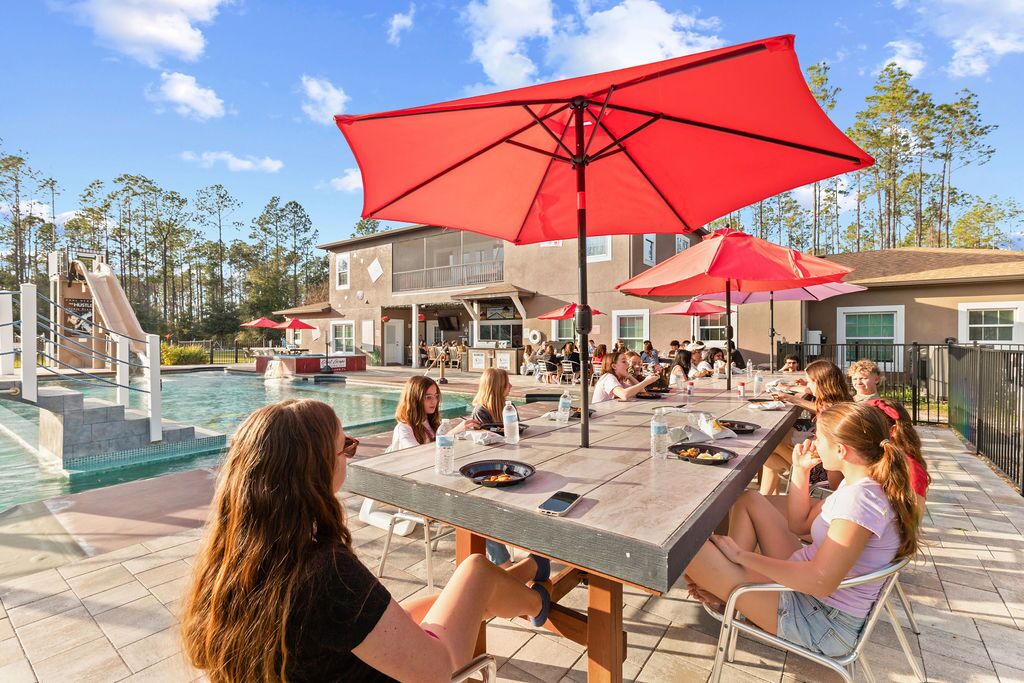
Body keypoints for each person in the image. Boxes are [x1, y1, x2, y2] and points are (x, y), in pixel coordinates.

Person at [181, 399, 553, 682]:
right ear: (317, 469)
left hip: (340, 660)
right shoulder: (325, 573)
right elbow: (435, 672)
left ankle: (530, 569)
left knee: (456, 593)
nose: (349, 457)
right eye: (346, 447)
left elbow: (352, 624)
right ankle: (537, 600)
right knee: (475, 572)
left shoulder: (234, 560)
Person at [683, 401, 920, 659]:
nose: (812, 442)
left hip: (821, 621)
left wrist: (741, 556)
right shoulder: (860, 484)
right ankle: (728, 587)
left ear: (841, 450)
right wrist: (801, 470)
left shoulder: (860, 501)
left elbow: (819, 582)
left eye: (818, 438)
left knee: (684, 547)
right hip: (812, 593)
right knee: (749, 501)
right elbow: (798, 525)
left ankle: (728, 585)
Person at [760, 360, 852, 496]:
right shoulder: (840, 400)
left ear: (819, 382)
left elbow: (821, 446)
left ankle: (766, 499)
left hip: (820, 469)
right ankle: (766, 499)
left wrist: (792, 399)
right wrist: (790, 391)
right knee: (770, 460)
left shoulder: (829, 411)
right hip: (824, 461)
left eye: (809, 381)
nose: (807, 386)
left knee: (771, 444)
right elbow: (809, 392)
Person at [469, 369, 518, 567]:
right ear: (498, 387)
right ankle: (503, 564)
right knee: (483, 512)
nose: (511, 387)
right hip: (486, 473)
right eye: (507, 384)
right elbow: (483, 445)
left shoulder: (509, 407)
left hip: (504, 465)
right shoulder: (480, 412)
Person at [387, 376, 478, 451]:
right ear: (414, 400)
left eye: (436, 396)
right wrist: (453, 432)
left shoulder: (429, 422)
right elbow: (418, 454)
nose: (434, 401)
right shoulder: (404, 429)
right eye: (428, 397)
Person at [592, 351, 660, 402]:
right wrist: (646, 381)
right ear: (614, 366)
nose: (628, 364)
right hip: (600, 418)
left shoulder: (619, 380)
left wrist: (630, 376)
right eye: (624, 362)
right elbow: (624, 394)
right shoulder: (608, 377)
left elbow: (642, 392)